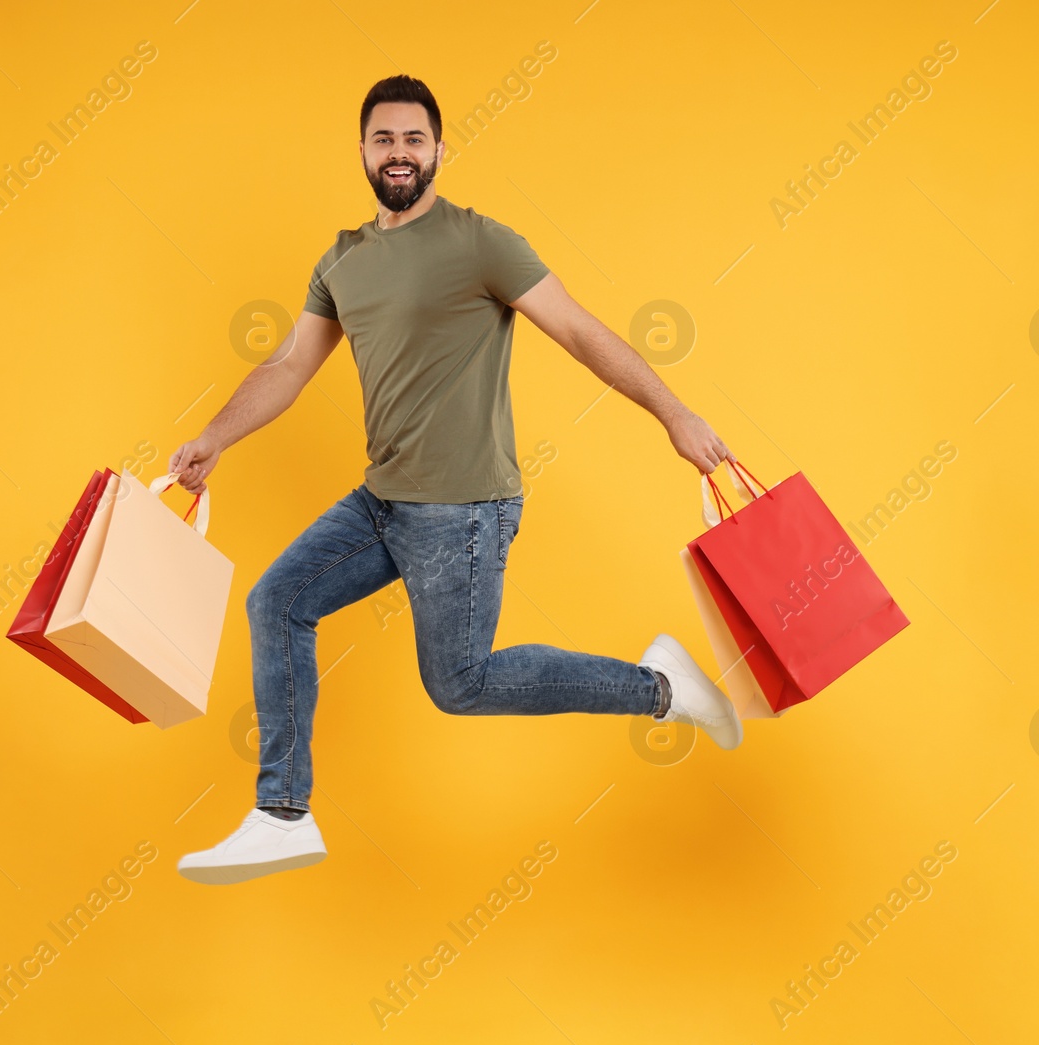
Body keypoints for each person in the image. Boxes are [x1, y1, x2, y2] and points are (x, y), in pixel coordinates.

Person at [171, 75, 741, 886]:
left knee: (461, 685)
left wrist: (674, 413)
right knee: (277, 601)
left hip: (463, 511)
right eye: (383, 139)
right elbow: (291, 364)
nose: (398, 153)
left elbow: (578, 329)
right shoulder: (342, 261)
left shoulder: (481, 243)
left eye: (413, 139)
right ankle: (281, 814)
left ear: (439, 149)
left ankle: (660, 688)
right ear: (363, 152)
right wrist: (214, 437)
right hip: (385, 500)